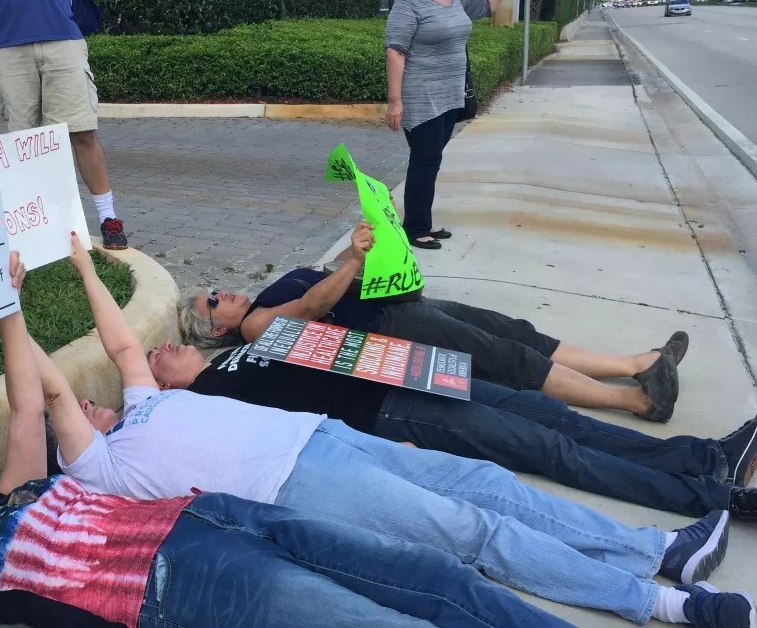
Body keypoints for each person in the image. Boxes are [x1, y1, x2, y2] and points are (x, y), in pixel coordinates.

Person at [40, 233, 756, 627]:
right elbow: (75, 388)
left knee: (516, 453)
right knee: (482, 523)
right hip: (328, 462)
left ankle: (666, 539)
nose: (155, 350)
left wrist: (81, 261)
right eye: (79, 414)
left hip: (354, 424)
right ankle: (660, 595)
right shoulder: (122, 445)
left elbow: (123, 347)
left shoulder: (216, 367)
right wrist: (22, 313)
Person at [0, 255, 578, 628]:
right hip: (179, 590)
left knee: (435, 577)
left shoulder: (9, 501)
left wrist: (7, 308)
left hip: (215, 515)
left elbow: (30, 405)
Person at [144, 338, 757, 518]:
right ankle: (707, 496)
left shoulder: (235, 349)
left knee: (549, 415)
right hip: (388, 411)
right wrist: (384, 450)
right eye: (154, 357)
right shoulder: (210, 393)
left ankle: (702, 456)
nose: (163, 347)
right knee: (546, 448)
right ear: (164, 384)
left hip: (409, 374)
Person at [181, 223, 685, 422]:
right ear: (218, 330)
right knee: (506, 360)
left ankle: (637, 363)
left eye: (212, 289)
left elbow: (328, 282)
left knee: (512, 332)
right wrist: (354, 263)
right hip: (389, 328)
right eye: (211, 302)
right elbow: (312, 309)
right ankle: (637, 399)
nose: (219, 292)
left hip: (399, 306)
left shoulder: (264, 295)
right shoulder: (254, 327)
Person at [0, 0, 128, 250]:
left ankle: (108, 218)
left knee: (83, 132)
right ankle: (41, 230)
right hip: (6, 46)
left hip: (63, 38)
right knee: (25, 145)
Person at [384, 0, 528, 249]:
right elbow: (395, 49)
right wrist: (395, 101)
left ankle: (421, 222)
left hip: (451, 96)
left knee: (431, 160)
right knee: (425, 161)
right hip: (422, 97)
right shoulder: (409, 0)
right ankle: (415, 228)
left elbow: (489, 2)